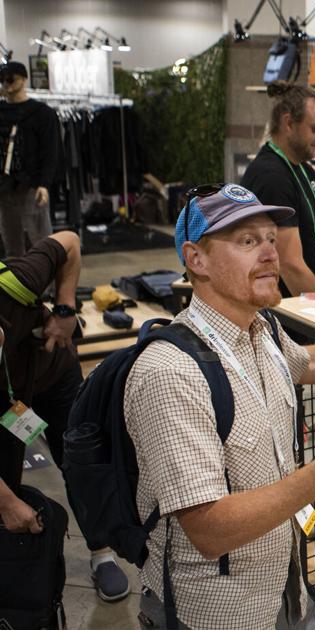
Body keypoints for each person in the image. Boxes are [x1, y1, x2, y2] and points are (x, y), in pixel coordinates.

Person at [125, 184, 315, 629]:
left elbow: (305, 361)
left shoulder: (260, 327)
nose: (270, 253)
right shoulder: (170, 373)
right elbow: (209, 530)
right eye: (247, 241)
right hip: (217, 614)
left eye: (270, 237)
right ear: (196, 259)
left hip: (287, 588)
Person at [0, 230, 131, 602]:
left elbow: (70, 242)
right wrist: (7, 502)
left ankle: (102, 552)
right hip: (6, 403)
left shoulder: (16, 281)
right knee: (7, 484)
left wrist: (65, 310)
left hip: (52, 374)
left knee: (82, 461)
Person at [241, 82, 315, 298]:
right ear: (289, 123)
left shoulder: (304, 169)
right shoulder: (272, 177)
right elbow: (290, 265)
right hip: (281, 307)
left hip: (303, 303)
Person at [0, 62, 60, 256]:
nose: (6, 83)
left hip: (31, 185)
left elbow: (50, 151)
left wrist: (44, 183)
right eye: (2, 80)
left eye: (10, 79)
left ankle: (47, 275)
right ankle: (16, 276)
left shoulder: (41, 113)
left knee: (41, 240)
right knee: (11, 243)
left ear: (23, 79)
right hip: (4, 186)